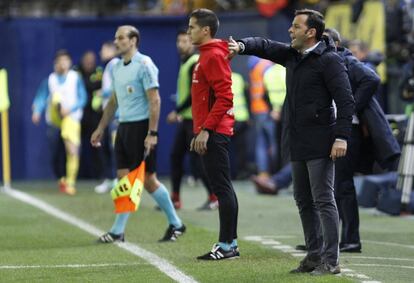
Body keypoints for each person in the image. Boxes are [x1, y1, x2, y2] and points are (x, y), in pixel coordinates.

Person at [229, 9, 355, 274]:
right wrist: (242, 46)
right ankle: (313, 255)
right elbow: (265, 46)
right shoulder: (293, 55)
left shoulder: (329, 61)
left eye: (296, 27)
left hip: (321, 140)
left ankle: (331, 261)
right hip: (297, 141)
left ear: (311, 33)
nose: (290, 30)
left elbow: (346, 102)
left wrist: (341, 136)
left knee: (323, 200)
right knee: (302, 199)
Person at [91, 25, 186, 243]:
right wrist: (101, 127)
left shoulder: (144, 64)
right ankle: (119, 231)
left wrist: (152, 133)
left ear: (133, 40)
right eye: (116, 38)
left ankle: (175, 223)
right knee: (123, 179)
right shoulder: (116, 67)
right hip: (123, 127)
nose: (117, 42)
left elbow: (155, 100)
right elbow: (114, 101)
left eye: (121, 38)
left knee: (149, 180)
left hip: (141, 127)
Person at [188, 8, 240, 260]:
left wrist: (206, 130)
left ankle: (227, 245)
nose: (188, 32)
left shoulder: (212, 56)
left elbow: (225, 97)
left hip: (215, 131)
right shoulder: (209, 54)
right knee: (222, 187)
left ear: (205, 30)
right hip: (210, 130)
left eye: (191, 27)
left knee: (221, 188)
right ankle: (230, 242)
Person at [167, 29, 218, 210]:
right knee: (175, 157)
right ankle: (175, 198)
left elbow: (193, 94)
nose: (181, 44)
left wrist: (177, 111)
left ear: (192, 43)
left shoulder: (194, 63)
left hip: (195, 121)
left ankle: (214, 197)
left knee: (199, 161)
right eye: (179, 41)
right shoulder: (185, 63)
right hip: (187, 120)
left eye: (185, 41)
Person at [32, 50, 87, 195]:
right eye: (59, 61)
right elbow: (41, 97)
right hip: (55, 121)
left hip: (71, 118)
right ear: (55, 64)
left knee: (72, 150)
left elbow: (83, 98)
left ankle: (71, 182)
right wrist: (37, 111)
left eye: (65, 60)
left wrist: (70, 109)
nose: (62, 64)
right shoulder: (50, 80)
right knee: (55, 153)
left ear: (69, 62)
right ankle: (61, 179)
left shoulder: (75, 78)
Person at [94, 42, 120, 194]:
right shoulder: (108, 66)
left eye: (103, 49)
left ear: (112, 50)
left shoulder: (114, 64)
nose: (100, 52)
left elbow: (117, 86)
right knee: (106, 148)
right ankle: (110, 179)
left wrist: (101, 93)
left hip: (116, 114)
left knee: (114, 148)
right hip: (108, 114)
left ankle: (118, 179)